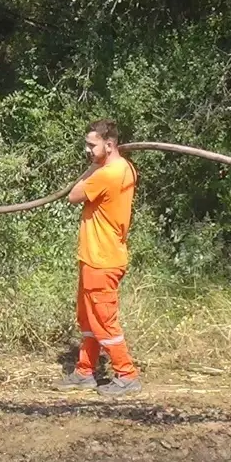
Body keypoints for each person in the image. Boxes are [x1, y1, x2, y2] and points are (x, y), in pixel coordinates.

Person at [55, 119, 142, 396]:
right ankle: (85, 371)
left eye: (91, 145)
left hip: (103, 259)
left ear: (109, 144)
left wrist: (95, 164)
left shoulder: (107, 174)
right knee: (88, 318)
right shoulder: (125, 167)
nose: (87, 150)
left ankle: (126, 374)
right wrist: (99, 158)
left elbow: (73, 195)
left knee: (104, 321)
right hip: (95, 257)